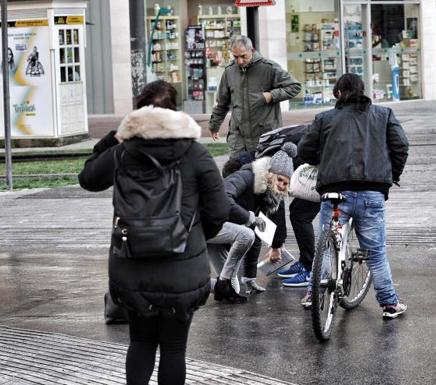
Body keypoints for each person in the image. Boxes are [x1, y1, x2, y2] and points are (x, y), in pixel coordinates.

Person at [78, 80, 228, 385]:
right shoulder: (195, 153)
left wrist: (114, 138)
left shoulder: (123, 152)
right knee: (174, 348)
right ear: (175, 111)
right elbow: (219, 211)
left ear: (137, 112)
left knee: (141, 343)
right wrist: (193, 236)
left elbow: (88, 177)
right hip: (183, 269)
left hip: (132, 267)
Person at [297, 73, 409, 318]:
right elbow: (401, 146)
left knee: (325, 247)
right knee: (375, 252)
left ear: (338, 93)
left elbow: (304, 149)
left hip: (334, 190)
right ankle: (389, 304)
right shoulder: (383, 115)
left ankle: (313, 294)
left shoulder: (324, 118)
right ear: (363, 90)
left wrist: (323, 161)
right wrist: (392, 174)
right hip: (372, 191)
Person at [208, 142, 297, 301]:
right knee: (246, 234)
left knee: (232, 289)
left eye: (286, 183)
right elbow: (223, 198)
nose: (282, 186)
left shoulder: (265, 194)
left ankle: (197, 286)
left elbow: (256, 235)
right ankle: (219, 283)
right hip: (202, 222)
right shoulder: (248, 176)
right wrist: (248, 217)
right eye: (280, 180)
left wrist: (249, 276)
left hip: (217, 232)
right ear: (271, 173)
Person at [208, 35, 301, 167]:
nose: (239, 61)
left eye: (243, 56)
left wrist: (271, 95)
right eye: (235, 57)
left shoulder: (269, 68)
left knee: (264, 178)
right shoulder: (229, 72)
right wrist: (214, 125)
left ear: (252, 50)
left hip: (265, 137)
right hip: (239, 139)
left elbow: (295, 87)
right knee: (235, 175)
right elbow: (222, 102)